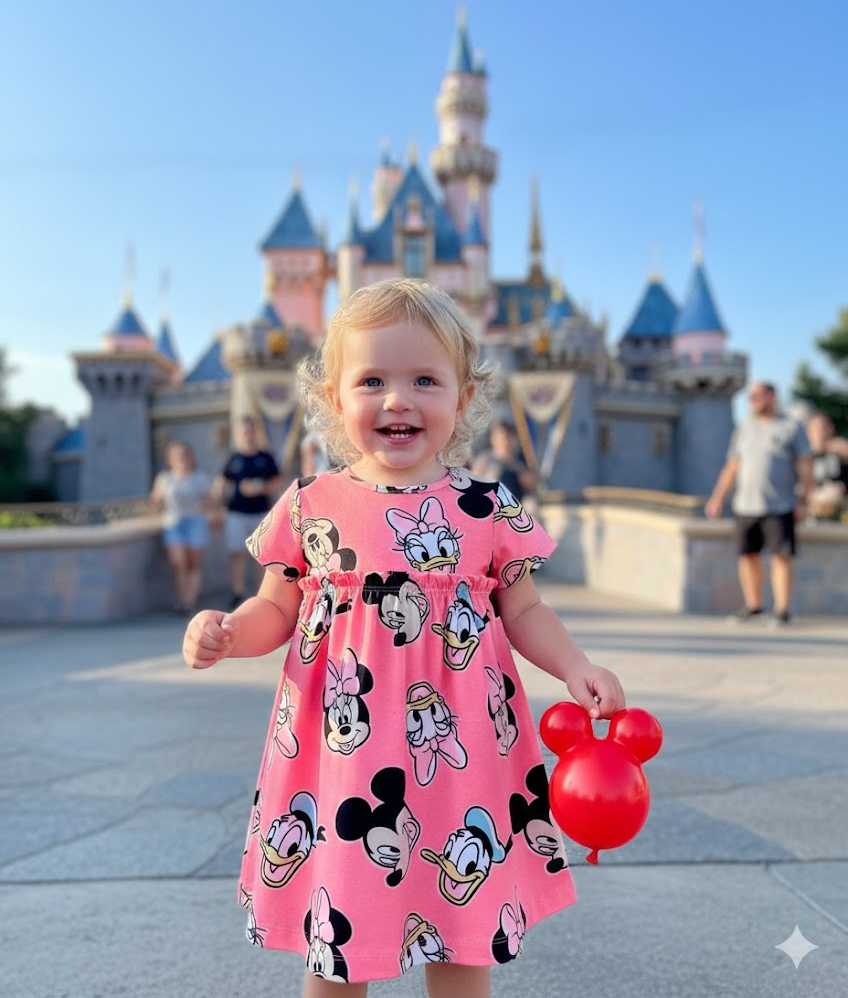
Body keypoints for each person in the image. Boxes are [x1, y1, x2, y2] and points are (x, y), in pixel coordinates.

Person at [183, 278, 626, 997]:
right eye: (372, 381)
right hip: (345, 757)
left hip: (463, 754)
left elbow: (524, 610)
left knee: (464, 917)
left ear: (464, 396)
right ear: (333, 399)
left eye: (425, 379)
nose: (398, 399)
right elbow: (276, 607)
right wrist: (229, 633)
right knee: (340, 927)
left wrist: (575, 665)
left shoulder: (486, 506)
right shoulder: (311, 504)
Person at [705, 381, 813, 626]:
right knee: (747, 556)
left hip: (780, 504)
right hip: (746, 504)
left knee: (780, 557)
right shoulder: (744, 429)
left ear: (771, 396)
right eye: (749, 397)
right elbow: (732, 466)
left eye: (756, 396)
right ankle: (754, 606)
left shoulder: (791, 427)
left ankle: (782, 611)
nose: (751, 401)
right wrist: (718, 497)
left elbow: (805, 465)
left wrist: (803, 500)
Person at [214, 416, 283, 609]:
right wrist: (216, 509)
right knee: (236, 553)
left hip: (261, 512)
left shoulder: (265, 457)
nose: (247, 434)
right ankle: (238, 592)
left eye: (249, 430)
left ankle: (262, 594)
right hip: (236, 512)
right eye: (243, 431)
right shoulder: (233, 458)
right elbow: (221, 483)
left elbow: (278, 482)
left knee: (262, 556)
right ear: (237, 434)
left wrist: (259, 488)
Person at [149, 441, 214, 616]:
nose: (181, 459)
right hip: (173, 523)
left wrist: (213, 514)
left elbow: (209, 501)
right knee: (178, 563)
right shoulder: (165, 478)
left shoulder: (199, 478)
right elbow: (156, 500)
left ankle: (188, 601)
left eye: (184, 455)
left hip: (195, 521)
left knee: (193, 562)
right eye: (177, 456)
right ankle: (183, 597)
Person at [471, 420, 537, 504]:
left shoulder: (519, 465)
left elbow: (531, 484)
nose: (505, 441)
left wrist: (528, 482)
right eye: (502, 437)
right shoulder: (484, 461)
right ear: (493, 439)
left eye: (508, 437)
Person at [806, 412, 848, 520]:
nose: (821, 432)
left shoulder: (841, 450)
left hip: (840, 506)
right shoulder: (803, 455)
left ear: (831, 429)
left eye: (824, 427)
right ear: (808, 431)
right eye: (816, 428)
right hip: (811, 508)